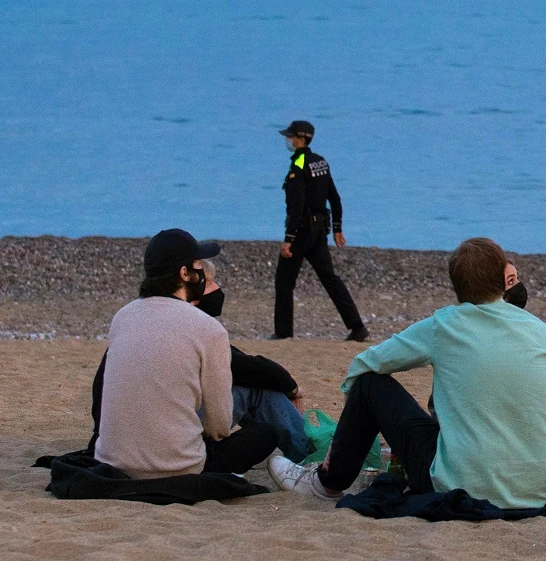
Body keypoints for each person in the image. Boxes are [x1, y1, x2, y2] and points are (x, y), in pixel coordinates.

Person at [268, 238, 546, 507]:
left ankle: (326, 482)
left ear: (457, 289)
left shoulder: (446, 325)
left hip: (463, 486)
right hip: (539, 488)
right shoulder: (542, 331)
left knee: (369, 384)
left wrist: (342, 439)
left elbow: (364, 364)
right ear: (503, 279)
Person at [86, 258, 312, 463]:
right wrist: (291, 387)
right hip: (169, 452)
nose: (216, 289)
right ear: (192, 291)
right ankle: (309, 453)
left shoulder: (129, 319)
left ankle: (307, 448)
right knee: (257, 397)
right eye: (211, 282)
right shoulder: (200, 329)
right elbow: (245, 375)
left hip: (113, 448)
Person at [94, 229, 278, 478]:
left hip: (112, 461)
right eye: (198, 266)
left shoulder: (122, 317)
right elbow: (219, 428)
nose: (202, 272)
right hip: (179, 467)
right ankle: (314, 458)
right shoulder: (208, 329)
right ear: (185, 274)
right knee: (266, 434)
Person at [272, 120, 369, 342]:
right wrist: (337, 228)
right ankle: (357, 326)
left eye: (291, 136)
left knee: (284, 281)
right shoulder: (320, 162)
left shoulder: (299, 163)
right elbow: (334, 198)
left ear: (301, 139)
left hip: (301, 231)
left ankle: (283, 332)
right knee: (330, 278)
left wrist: (289, 239)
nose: (288, 140)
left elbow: (296, 206)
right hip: (319, 231)